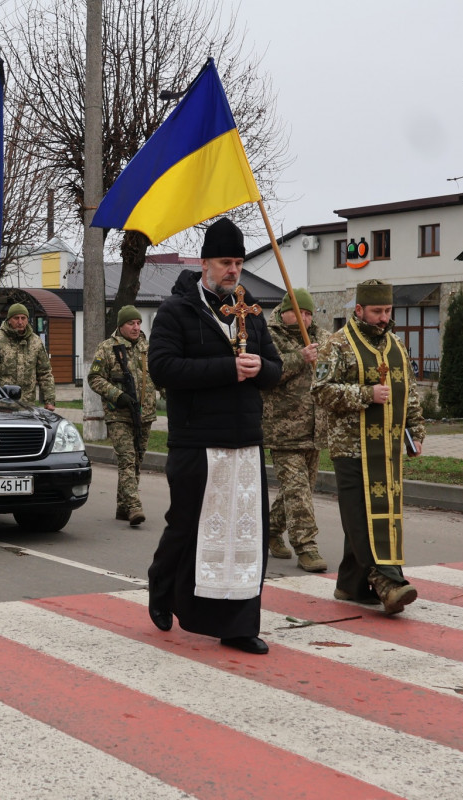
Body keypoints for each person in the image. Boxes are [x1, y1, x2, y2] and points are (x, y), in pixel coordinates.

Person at [146, 217, 283, 655]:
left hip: (244, 440)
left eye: (239, 262)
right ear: (204, 263)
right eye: (226, 262)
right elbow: (163, 369)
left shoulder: (250, 311)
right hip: (196, 440)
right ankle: (162, 585)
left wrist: (262, 368)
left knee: (245, 535)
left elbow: (275, 370)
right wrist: (227, 368)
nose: (234, 270)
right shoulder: (177, 311)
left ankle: (238, 625)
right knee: (188, 525)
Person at [312, 279, 426, 615]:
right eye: (376, 311)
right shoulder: (337, 344)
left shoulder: (395, 345)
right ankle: (388, 580)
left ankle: (350, 584)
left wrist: (416, 432)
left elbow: (411, 391)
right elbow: (320, 391)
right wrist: (365, 395)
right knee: (360, 516)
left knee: (384, 515)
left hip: (388, 445)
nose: (383, 317)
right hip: (350, 447)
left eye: (387, 310)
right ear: (359, 309)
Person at [262, 288, 331, 572]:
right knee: (298, 489)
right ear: (284, 310)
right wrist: (299, 358)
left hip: (315, 428)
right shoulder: (269, 336)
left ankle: (270, 529)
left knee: (298, 490)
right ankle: (306, 547)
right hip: (283, 428)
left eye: (308, 313)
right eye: (298, 312)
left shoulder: (321, 337)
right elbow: (267, 374)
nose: (303, 318)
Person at [88, 305, 157, 526]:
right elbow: (95, 378)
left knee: (136, 460)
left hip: (144, 414)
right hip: (118, 414)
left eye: (138, 323)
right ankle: (135, 506)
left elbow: (159, 376)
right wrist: (117, 395)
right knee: (127, 459)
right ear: (121, 325)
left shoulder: (147, 348)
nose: (136, 327)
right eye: (131, 323)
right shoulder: (108, 348)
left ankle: (122, 506)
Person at [0, 303, 56, 411]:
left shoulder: (36, 342)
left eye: (23, 318)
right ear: (9, 320)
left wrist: (49, 400)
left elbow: (45, 373)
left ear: (27, 320)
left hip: (27, 404)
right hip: (1, 403)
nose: (20, 322)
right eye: (16, 318)